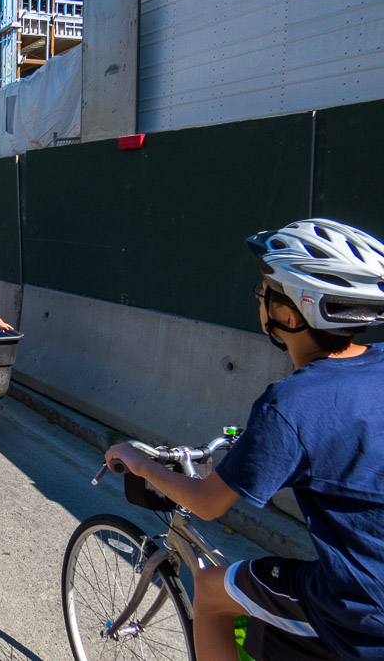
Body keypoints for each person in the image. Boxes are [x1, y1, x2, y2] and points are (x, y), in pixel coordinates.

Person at [104, 218, 384, 661]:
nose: (259, 299)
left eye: (264, 291)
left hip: (361, 611)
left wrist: (139, 461)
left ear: (290, 314)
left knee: (211, 593)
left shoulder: (290, 404)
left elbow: (208, 504)